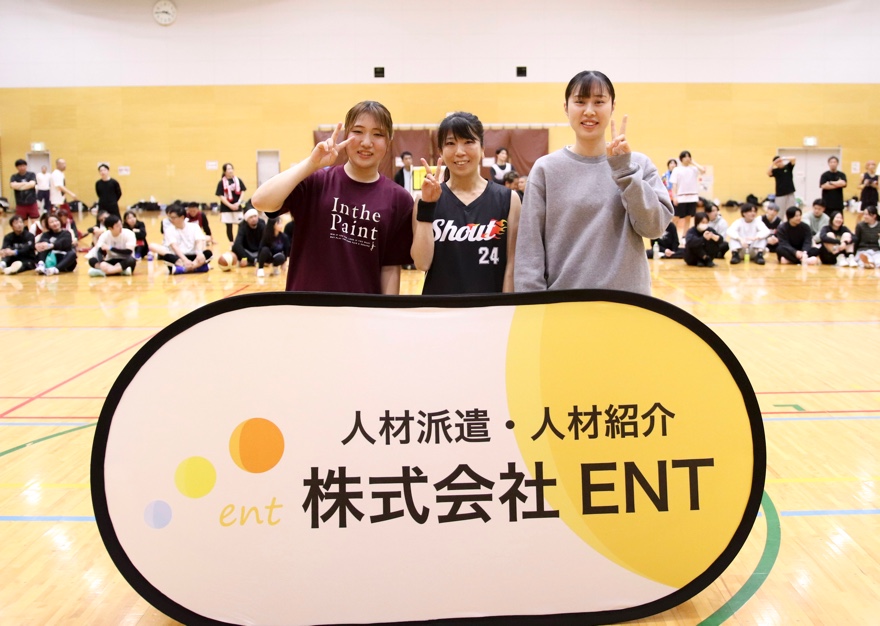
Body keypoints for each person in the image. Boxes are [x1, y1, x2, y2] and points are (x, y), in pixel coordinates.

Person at [514, 71, 673, 295]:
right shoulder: (545, 169)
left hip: (628, 303)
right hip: (564, 304)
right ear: (566, 107)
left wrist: (624, 171)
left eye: (599, 101)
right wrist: (533, 305)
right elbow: (529, 250)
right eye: (580, 101)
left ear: (613, 106)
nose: (589, 111)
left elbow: (654, 228)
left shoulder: (638, 164)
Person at [251, 100, 414, 294]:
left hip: (362, 309)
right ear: (346, 135)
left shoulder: (399, 200)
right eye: (358, 131)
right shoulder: (316, 181)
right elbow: (260, 201)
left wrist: (385, 311)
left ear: (388, 141)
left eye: (378, 134)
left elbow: (390, 268)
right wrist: (311, 164)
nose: (366, 142)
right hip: (305, 307)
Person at [411, 111, 521, 294]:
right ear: (440, 152)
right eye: (450, 143)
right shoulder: (425, 200)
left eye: (468, 142)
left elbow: (511, 266)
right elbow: (422, 263)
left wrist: (506, 306)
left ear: (482, 148)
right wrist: (427, 206)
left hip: (490, 307)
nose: (460, 152)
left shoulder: (509, 200)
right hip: (439, 308)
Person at [150, 205, 211, 274]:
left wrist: (199, 253)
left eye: (173, 218)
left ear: (182, 217)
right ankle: (198, 267)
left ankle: (184, 269)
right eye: (170, 218)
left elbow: (199, 241)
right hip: (179, 257)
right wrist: (185, 260)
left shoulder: (194, 226)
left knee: (208, 253)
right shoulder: (169, 230)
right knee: (167, 256)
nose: (171, 220)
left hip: (194, 255)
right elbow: (174, 247)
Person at [670, 150, 706, 240]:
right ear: (681, 159)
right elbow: (674, 185)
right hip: (681, 198)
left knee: (688, 218)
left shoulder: (694, 169)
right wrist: (674, 197)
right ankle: (672, 236)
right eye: (685, 156)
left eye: (688, 156)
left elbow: (703, 170)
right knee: (676, 218)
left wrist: (693, 162)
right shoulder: (677, 170)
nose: (687, 158)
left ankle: (684, 236)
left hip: (692, 198)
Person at [216, 163, 247, 244]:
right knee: (229, 226)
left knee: (241, 224)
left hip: (237, 206)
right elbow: (220, 195)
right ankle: (231, 243)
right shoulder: (221, 183)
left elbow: (243, 191)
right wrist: (230, 205)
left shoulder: (238, 180)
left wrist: (238, 203)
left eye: (231, 168)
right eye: (228, 169)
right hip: (226, 208)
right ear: (224, 171)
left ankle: (239, 241)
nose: (230, 171)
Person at [9, 159, 39, 227]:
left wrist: (19, 186)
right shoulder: (14, 176)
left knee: (35, 223)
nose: (22, 168)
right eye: (20, 166)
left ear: (26, 166)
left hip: (32, 202)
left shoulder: (31, 174)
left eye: (23, 166)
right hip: (20, 204)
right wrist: (27, 184)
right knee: (23, 223)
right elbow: (12, 185)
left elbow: (32, 184)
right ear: (17, 167)